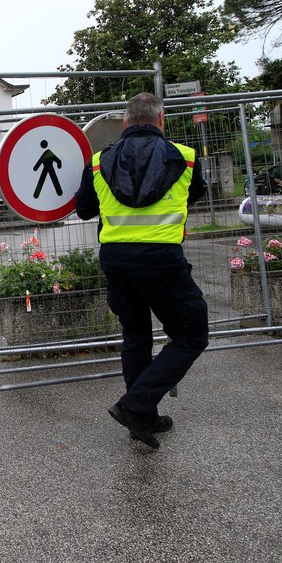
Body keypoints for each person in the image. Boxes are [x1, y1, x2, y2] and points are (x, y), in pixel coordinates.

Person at [74, 93, 209, 449]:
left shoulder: (99, 162)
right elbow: (194, 195)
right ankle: (136, 406)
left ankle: (142, 417)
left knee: (136, 337)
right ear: (161, 121)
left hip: (117, 261)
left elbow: (84, 210)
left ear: (125, 123)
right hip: (162, 259)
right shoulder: (184, 158)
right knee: (192, 334)